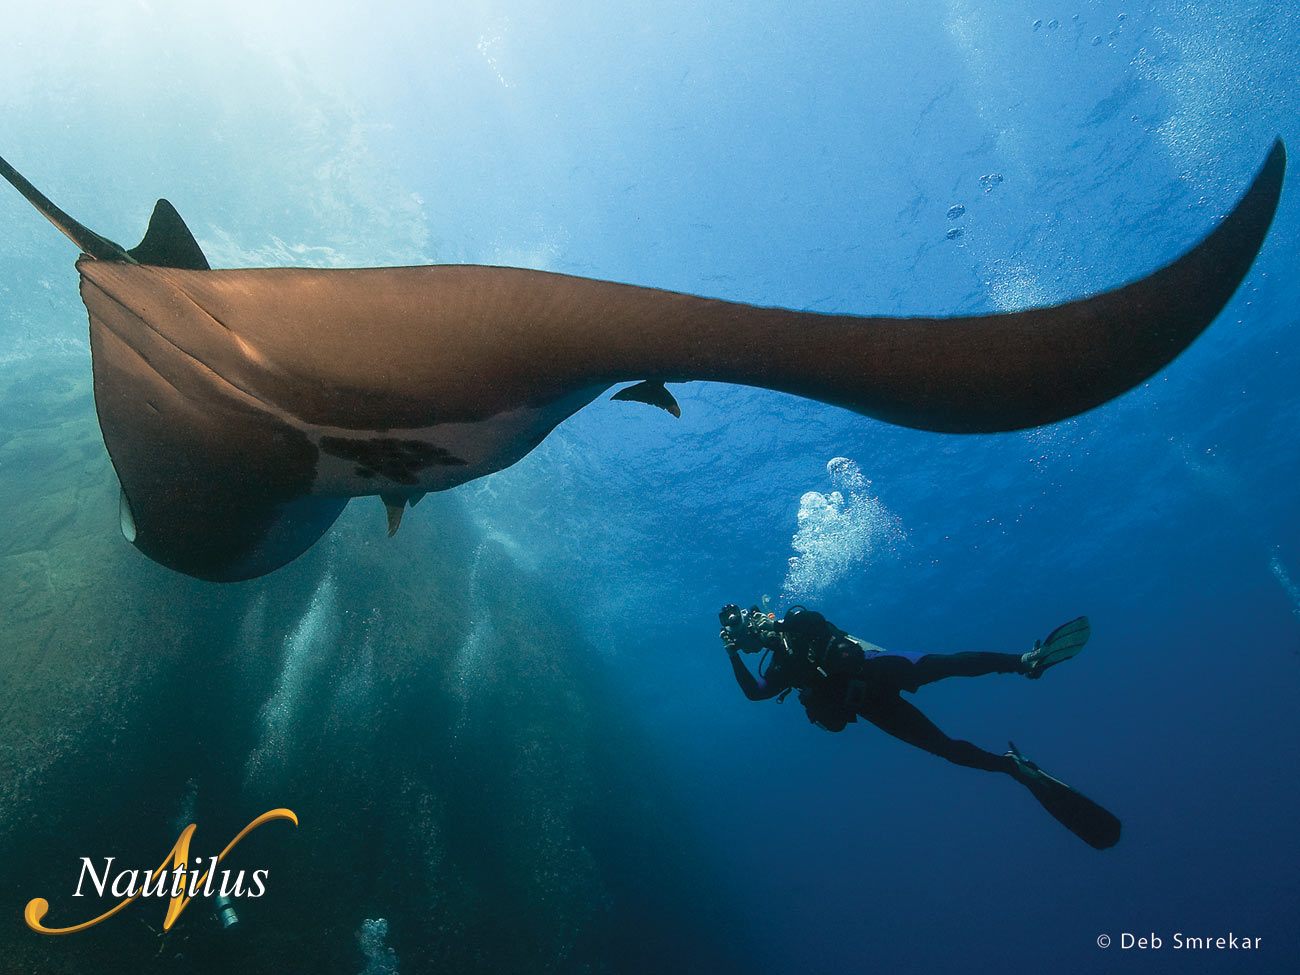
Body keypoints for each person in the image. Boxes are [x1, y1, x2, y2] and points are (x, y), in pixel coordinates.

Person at [718, 604, 1121, 849]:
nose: (747, 635)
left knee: (944, 665)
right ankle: (1013, 767)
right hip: (872, 706)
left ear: (756, 617)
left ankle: (1026, 661)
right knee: (944, 748)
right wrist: (733, 655)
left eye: (744, 626)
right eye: (739, 634)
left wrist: (779, 629)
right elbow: (755, 693)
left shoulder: (793, 621)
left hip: (878, 669)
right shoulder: (779, 667)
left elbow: (815, 621)